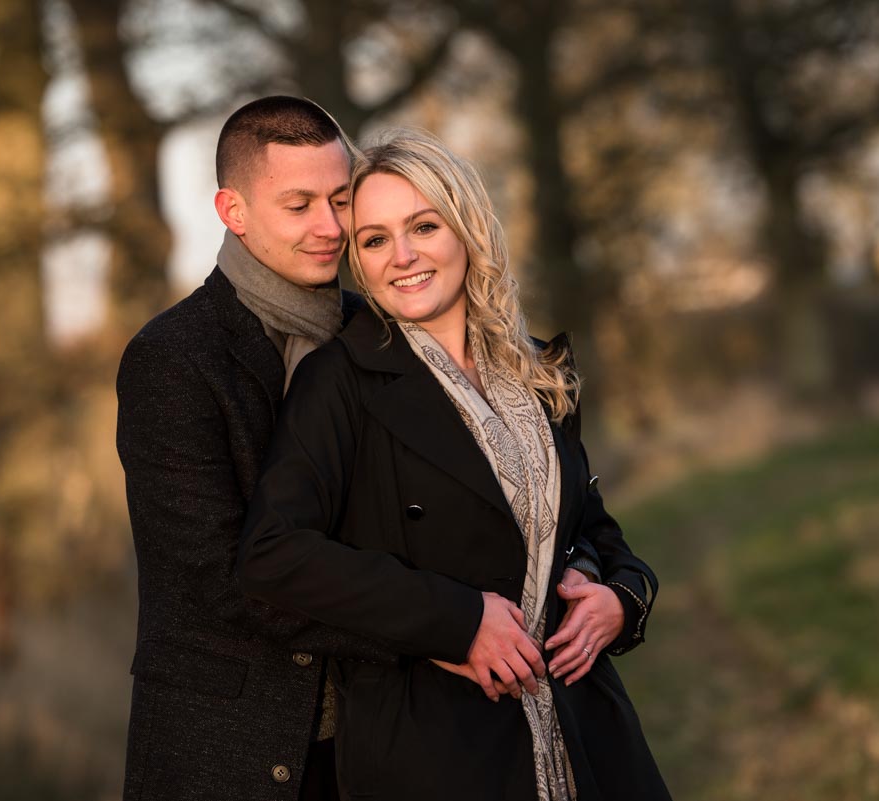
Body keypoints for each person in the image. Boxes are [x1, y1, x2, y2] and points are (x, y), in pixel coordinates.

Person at [118, 98, 576, 801]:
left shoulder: (383, 329)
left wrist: (605, 582)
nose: (330, 228)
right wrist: (444, 626)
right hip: (230, 745)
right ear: (233, 211)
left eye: (340, 199)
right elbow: (221, 576)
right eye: (299, 205)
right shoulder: (173, 359)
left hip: (381, 733)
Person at [238, 128, 670, 801]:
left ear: (467, 230)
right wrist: (457, 617)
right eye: (375, 239)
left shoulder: (539, 370)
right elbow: (273, 551)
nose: (402, 256)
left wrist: (622, 599)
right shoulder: (341, 380)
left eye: (424, 225)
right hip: (435, 747)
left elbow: (594, 530)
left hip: (590, 734)